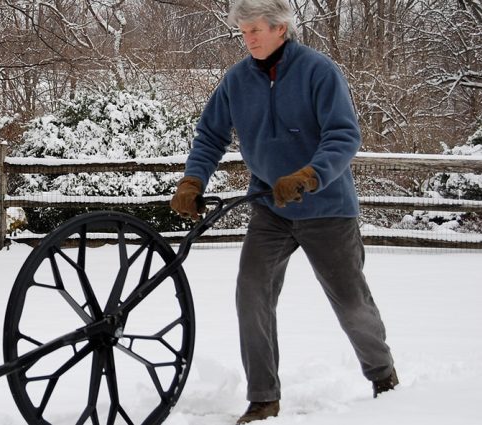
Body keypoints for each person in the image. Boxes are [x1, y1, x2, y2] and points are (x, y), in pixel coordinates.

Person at [170, 0, 398, 423]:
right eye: (244, 32)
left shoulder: (318, 71)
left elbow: (344, 135)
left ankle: (383, 376)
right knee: (251, 292)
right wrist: (192, 181)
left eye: (256, 29)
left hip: (327, 208)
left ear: (280, 28)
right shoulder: (236, 81)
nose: (249, 38)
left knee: (350, 302)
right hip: (270, 207)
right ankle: (263, 399)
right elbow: (210, 136)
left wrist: (311, 175)